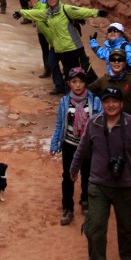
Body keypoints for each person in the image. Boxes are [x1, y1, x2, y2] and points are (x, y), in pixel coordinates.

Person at [70, 86, 131, 260]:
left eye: (115, 101)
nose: (111, 105)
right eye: (107, 101)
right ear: (102, 104)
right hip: (99, 183)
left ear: (121, 104)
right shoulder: (94, 122)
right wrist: (74, 168)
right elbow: (82, 149)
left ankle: (128, 253)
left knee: (127, 225)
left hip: (126, 185)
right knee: (95, 226)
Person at [14, 0, 107, 93]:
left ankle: (100, 95)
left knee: (86, 71)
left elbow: (81, 11)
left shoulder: (66, 9)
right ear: (47, 0)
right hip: (62, 50)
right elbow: (35, 13)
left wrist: (97, 12)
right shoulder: (47, 13)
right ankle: (69, 97)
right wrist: (21, 12)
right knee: (68, 74)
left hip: (75, 48)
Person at [50, 68, 102, 225]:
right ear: (69, 84)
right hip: (70, 144)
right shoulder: (64, 102)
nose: (78, 85)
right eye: (74, 82)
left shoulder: (94, 100)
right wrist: (54, 143)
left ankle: (85, 201)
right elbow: (60, 123)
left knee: (87, 174)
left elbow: (100, 122)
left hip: (88, 145)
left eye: (80, 81)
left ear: (85, 82)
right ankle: (68, 208)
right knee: (68, 176)